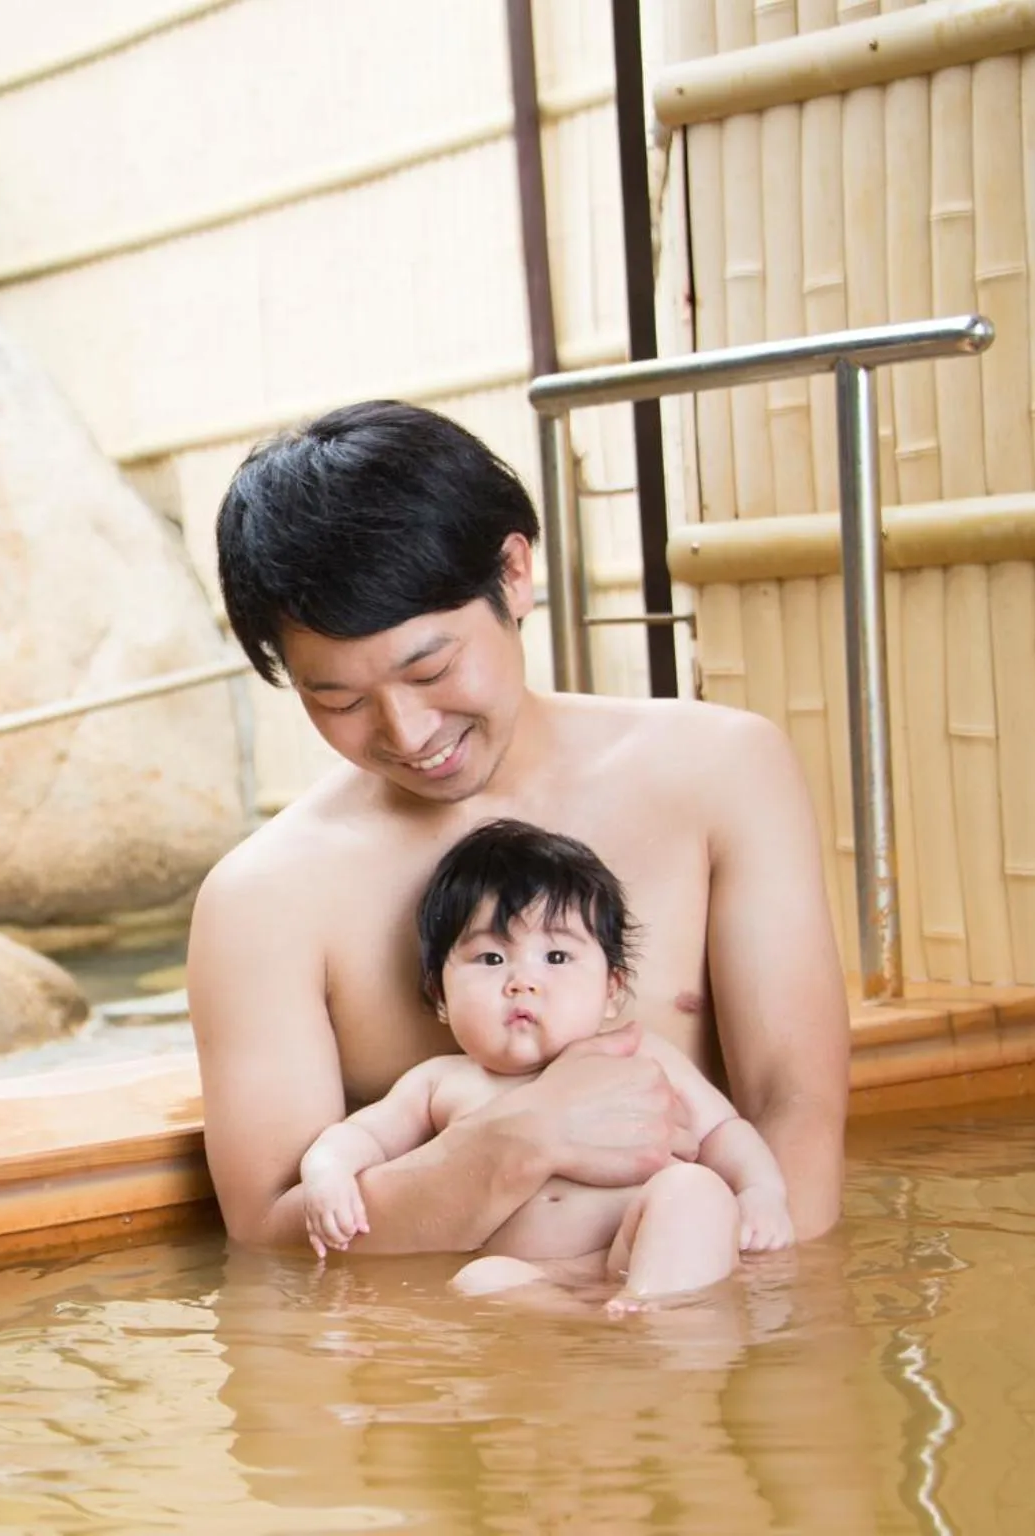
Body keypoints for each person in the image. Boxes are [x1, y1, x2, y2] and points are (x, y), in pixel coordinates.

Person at [190, 400, 849, 1255]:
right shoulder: (264, 900)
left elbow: (794, 1110)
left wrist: (730, 1335)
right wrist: (516, 1140)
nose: (409, 733)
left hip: (699, 1324)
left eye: (431, 667)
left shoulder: (722, 773)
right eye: (338, 700)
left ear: (512, 573)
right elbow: (270, 1238)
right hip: (455, 1361)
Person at [298, 819, 793, 1310]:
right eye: (491, 959)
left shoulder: (641, 1055)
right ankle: (601, 1328)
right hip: (542, 1279)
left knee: (695, 1191)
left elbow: (722, 1132)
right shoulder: (440, 1082)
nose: (523, 982)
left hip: (645, 1248)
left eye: (556, 957)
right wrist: (329, 1172)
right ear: (440, 996)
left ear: (612, 990)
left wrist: (761, 1192)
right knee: (480, 1281)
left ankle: (653, 1308)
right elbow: (363, 1135)